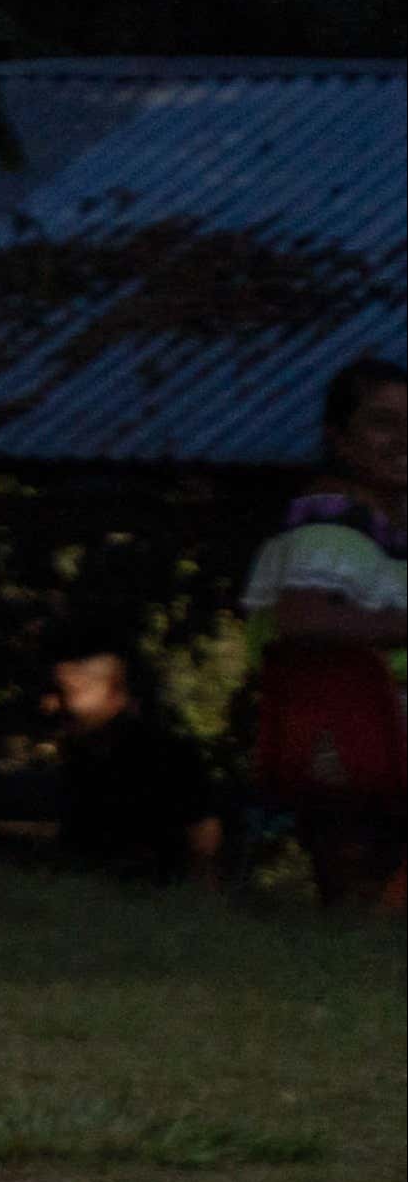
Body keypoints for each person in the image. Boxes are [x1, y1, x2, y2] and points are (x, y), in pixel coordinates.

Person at [242, 357, 408, 913]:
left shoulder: (380, 531)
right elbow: (304, 620)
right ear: (339, 437)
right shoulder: (330, 525)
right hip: (351, 743)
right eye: (383, 422)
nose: (402, 439)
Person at [42, 638, 220, 887]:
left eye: (77, 690)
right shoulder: (82, 761)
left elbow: (202, 842)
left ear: (118, 696)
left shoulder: (168, 758)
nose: (57, 705)